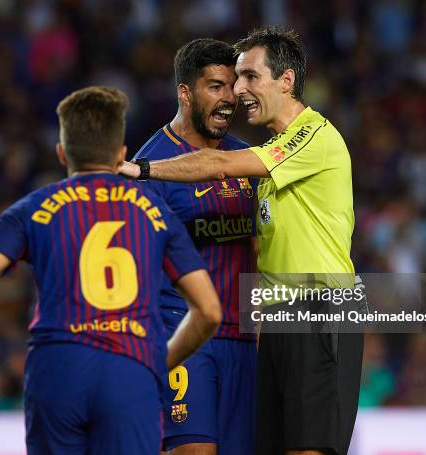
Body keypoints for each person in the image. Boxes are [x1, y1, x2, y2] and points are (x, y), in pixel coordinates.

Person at [121, 27, 364, 455]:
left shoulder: (304, 139)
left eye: (247, 78)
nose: (237, 93)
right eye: (228, 83)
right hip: (232, 327)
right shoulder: (268, 159)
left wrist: (141, 168)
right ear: (184, 92)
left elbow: (217, 166)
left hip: (318, 308)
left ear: (285, 81)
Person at [0, 86, 222, 455]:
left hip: (58, 370)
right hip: (130, 371)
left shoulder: (33, 208)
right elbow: (209, 311)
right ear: (121, 153)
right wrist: (159, 361)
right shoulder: (154, 212)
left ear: (62, 153)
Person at [133, 38, 257, 455]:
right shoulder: (151, 167)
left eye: (232, 87)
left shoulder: (246, 160)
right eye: (215, 87)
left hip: (245, 341)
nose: (228, 99)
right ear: (185, 93)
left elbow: (258, 249)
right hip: (183, 336)